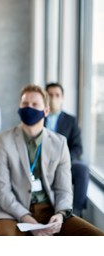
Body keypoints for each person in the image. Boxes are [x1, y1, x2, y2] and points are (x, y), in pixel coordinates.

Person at [0, 84, 104, 236]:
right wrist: (26, 218)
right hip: (12, 211)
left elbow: (64, 189)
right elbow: (2, 192)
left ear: (46, 111)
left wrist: (61, 214)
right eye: (25, 104)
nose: (29, 108)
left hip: (49, 209)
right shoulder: (4, 140)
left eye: (34, 104)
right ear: (19, 107)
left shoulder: (60, 143)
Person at [45, 82, 89, 217]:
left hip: (65, 162)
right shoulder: (38, 118)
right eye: (50, 95)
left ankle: (75, 212)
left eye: (57, 95)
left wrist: (65, 160)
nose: (53, 98)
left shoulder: (71, 120)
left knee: (82, 169)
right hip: (41, 162)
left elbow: (78, 147)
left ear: (62, 97)